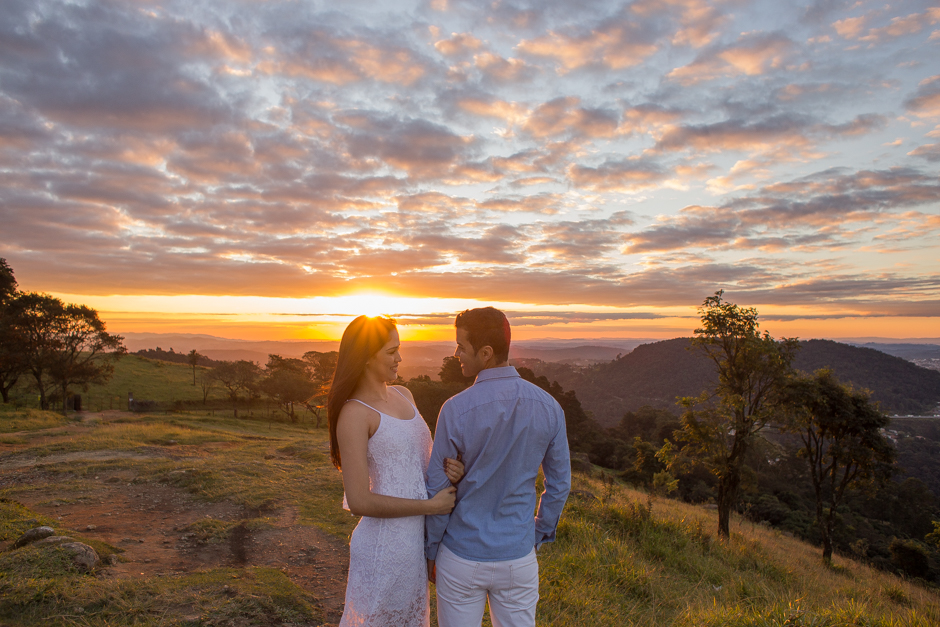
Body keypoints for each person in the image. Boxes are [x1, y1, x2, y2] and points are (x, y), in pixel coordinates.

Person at [425, 307, 571, 627]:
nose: (456, 353)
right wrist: (536, 534)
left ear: (486, 353)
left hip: (460, 555)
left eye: (462, 346)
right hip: (518, 556)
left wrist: (431, 549)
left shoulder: (455, 409)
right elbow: (559, 485)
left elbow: (437, 486)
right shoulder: (550, 407)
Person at [329, 315, 463, 627]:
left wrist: (450, 469)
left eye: (398, 349)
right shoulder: (354, 414)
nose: (399, 358)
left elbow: (422, 464)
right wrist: (429, 507)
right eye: (391, 352)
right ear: (365, 357)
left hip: (415, 544)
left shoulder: (405, 395)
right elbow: (359, 501)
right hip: (383, 549)